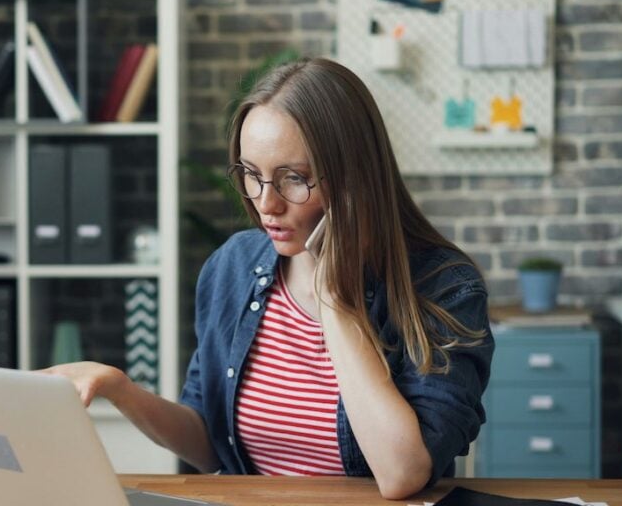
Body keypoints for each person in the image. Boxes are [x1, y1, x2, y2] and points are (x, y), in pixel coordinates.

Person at [44, 57, 494, 499]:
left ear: (356, 179)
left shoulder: (443, 287)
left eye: (293, 179)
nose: (266, 205)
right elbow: (208, 444)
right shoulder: (233, 266)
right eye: (251, 176)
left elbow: (402, 474)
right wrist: (119, 388)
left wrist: (334, 299)